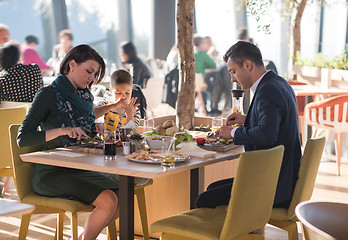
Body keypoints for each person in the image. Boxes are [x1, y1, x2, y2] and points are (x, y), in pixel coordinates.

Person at [17, 44, 120, 240]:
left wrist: (94, 127)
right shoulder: (48, 94)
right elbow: (23, 138)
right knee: (108, 200)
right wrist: (61, 131)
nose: (91, 78)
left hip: (78, 167)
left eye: (95, 74)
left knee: (122, 193)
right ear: (72, 64)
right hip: (51, 172)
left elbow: (82, 128)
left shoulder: (84, 96)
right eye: (89, 71)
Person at [195, 41, 302, 209]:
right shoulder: (278, 82)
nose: (232, 78)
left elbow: (267, 134)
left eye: (233, 72)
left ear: (247, 65)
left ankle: (232, 232)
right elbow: (277, 122)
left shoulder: (268, 91)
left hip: (275, 186)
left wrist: (232, 133)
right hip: (285, 179)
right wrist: (247, 119)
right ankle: (239, 230)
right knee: (213, 189)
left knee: (204, 200)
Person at [94, 69, 141, 134]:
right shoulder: (104, 104)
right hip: (106, 143)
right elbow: (91, 114)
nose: (123, 97)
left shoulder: (134, 110)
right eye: (119, 93)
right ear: (111, 91)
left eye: (127, 93)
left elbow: (134, 135)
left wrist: (129, 115)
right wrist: (113, 105)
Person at [194, 35, 217, 114]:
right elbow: (214, 65)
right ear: (201, 43)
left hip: (191, 83)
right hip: (200, 83)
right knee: (214, 86)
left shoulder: (192, 52)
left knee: (203, 87)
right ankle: (213, 107)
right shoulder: (202, 54)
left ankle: (203, 107)